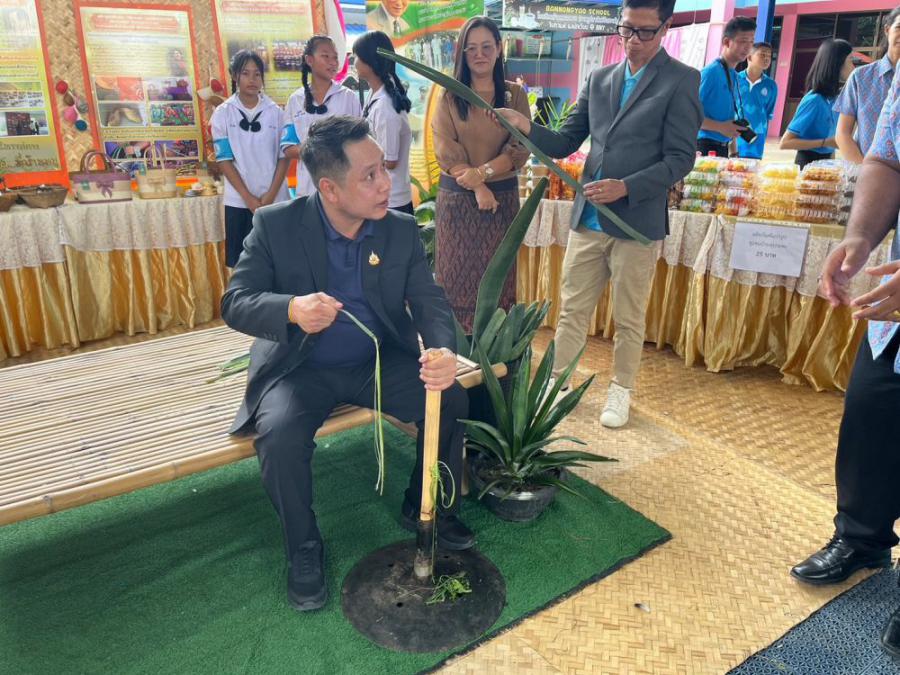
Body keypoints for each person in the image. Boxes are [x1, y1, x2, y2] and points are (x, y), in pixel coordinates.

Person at [221, 116, 474, 612]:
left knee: (451, 399)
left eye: (383, 169)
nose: (385, 184)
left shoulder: (398, 229)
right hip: (300, 369)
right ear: (330, 190)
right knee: (279, 437)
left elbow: (429, 299)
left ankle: (423, 507)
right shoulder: (277, 225)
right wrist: (291, 309)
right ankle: (303, 546)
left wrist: (443, 350)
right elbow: (236, 301)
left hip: (374, 361)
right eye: (370, 176)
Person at [493, 0, 702, 428]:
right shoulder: (600, 77)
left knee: (629, 317)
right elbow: (565, 141)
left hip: (635, 221)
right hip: (588, 217)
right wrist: (526, 125)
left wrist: (627, 186)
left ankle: (621, 391)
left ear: (665, 28)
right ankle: (557, 382)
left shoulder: (681, 80)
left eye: (645, 31)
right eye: (626, 29)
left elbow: (681, 158)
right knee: (572, 309)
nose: (633, 40)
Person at [791, 64, 900, 662]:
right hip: (894, 307)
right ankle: (862, 538)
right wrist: (860, 236)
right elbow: (887, 158)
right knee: (871, 418)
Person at [431, 15, 531, 332]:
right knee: (455, 283)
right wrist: (476, 185)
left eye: (487, 46)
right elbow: (446, 148)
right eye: (471, 48)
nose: (479, 54)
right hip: (457, 204)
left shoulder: (515, 96)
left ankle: (496, 358)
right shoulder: (449, 96)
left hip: (501, 203)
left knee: (498, 286)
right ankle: (455, 356)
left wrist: (483, 174)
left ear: (499, 49)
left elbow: (520, 147)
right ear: (462, 53)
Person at [211, 50, 290, 268]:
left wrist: (270, 195)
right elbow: (224, 159)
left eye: (257, 74)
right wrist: (248, 198)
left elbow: (284, 156)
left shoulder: (276, 112)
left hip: (275, 200)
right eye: (245, 73)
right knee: (242, 266)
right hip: (239, 202)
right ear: (235, 75)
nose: (252, 79)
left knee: (278, 262)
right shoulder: (223, 113)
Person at [281, 35, 362, 198]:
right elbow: (288, 148)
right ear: (309, 60)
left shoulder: (348, 97)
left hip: (343, 188)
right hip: (308, 189)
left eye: (335, 57)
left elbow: (360, 141)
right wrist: (319, 151)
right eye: (325, 56)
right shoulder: (296, 100)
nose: (333, 62)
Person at [352, 31, 414, 214]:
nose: (354, 62)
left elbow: (390, 161)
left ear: (370, 62)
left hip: (392, 201)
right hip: (381, 196)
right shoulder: (375, 95)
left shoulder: (385, 106)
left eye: (356, 57)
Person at [834, 7, 900, 164]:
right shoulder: (861, 77)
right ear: (887, 30)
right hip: (866, 171)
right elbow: (842, 134)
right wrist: (865, 171)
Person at [780, 38, 854, 169]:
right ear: (837, 64)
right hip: (807, 164)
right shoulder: (814, 100)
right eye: (850, 60)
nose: (853, 67)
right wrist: (825, 142)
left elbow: (833, 142)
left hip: (827, 163)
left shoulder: (835, 98)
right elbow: (785, 143)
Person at [697, 16, 756, 157]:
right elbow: (687, 115)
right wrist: (720, 127)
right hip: (704, 146)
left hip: (723, 147)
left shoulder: (733, 75)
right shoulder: (711, 73)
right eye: (743, 41)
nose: (748, 47)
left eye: (751, 42)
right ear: (726, 42)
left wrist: (734, 151)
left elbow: (728, 119)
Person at [735, 42, 778, 159]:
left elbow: (768, 112)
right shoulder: (735, 79)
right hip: (734, 133)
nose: (766, 58)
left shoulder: (771, 85)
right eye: (762, 54)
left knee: (753, 167)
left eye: (769, 56)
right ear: (749, 57)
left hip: (757, 136)